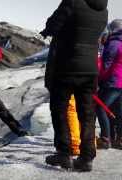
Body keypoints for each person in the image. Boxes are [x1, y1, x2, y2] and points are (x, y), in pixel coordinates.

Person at [40, 0, 108, 171]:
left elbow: (53, 25)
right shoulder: (103, 9)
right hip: (90, 70)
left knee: (59, 109)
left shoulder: (72, 2)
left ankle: (64, 153)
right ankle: (86, 157)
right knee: (87, 114)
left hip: (67, 67)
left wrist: (49, 29)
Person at [96, 19, 122, 149]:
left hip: (113, 82)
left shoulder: (114, 43)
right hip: (120, 83)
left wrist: (99, 80)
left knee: (101, 108)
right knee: (117, 110)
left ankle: (105, 138)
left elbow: (106, 65)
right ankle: (119, 139)